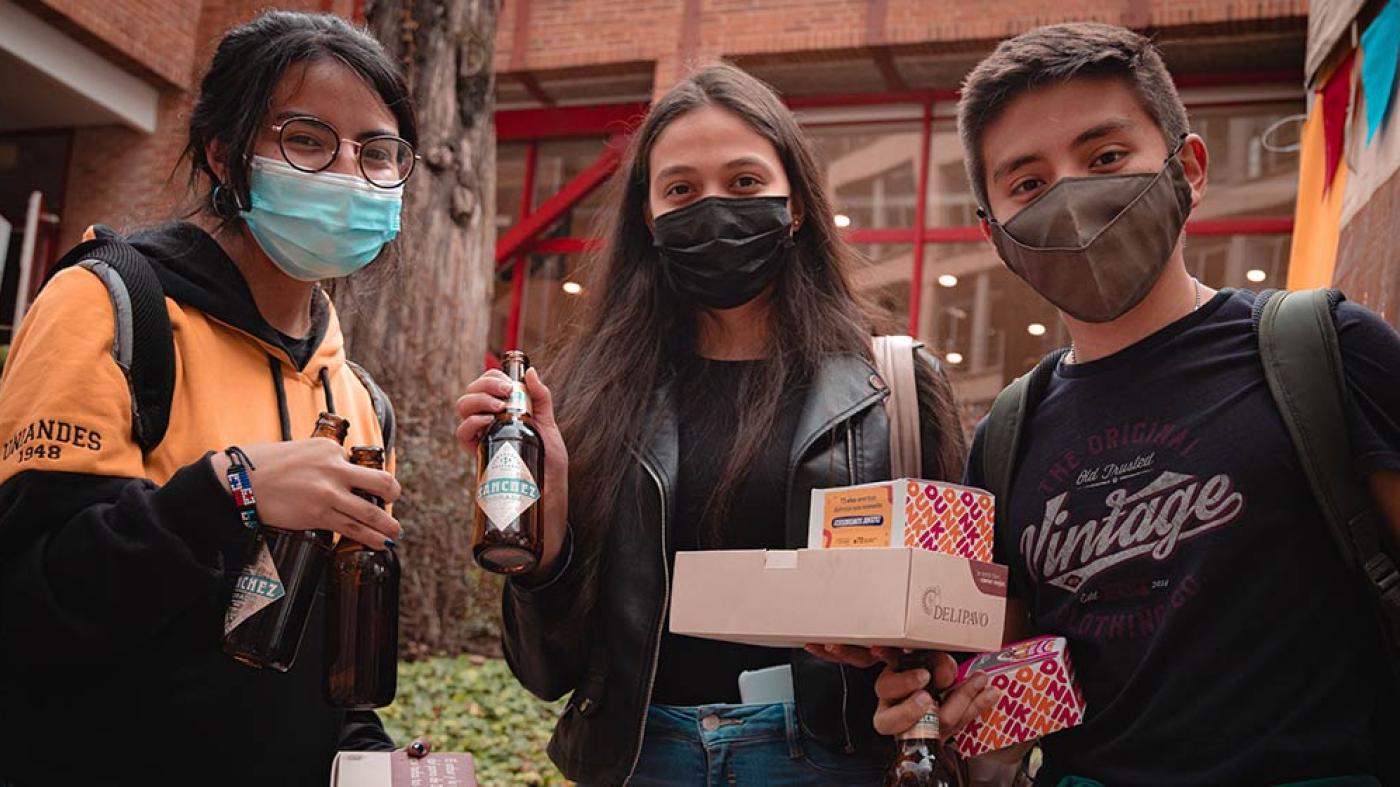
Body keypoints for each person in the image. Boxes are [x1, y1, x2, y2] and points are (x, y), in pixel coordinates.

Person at [837, 21, 1400, 786]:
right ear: (995, 232)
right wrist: (935, 716)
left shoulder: (1326, 349)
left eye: (1105, 157)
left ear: (1188, 168)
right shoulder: (1006, 434)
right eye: (1027, 183)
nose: (1070, 197)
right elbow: (1006, 707)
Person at [454, 63, 967, 785]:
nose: (715, 208)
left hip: (834, 759)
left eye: (746, 182)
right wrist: (542, 535)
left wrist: (916, 673)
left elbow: (961, 617)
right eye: (682, 190)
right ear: (649, 218)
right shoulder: (588, 398)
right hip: (642, 758)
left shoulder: (897, 385)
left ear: (795, 205)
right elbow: (546, 672)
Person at [0, 11, 416, 785]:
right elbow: (31, 603)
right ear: (227, 156)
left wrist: (371, 753)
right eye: (307, 139)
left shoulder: (360, 399)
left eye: (377, 150)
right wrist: (232, 492)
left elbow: (339, 663)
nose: (349, 172)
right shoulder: (110, 306)